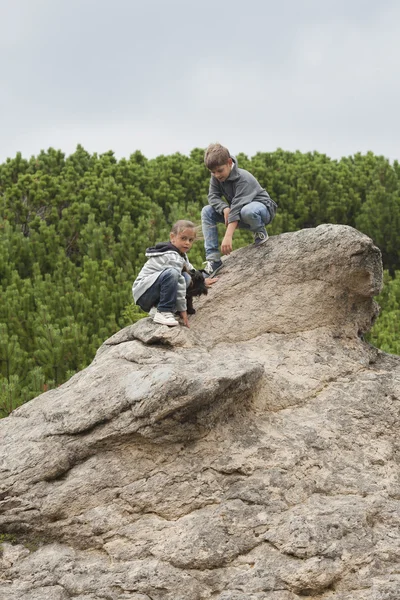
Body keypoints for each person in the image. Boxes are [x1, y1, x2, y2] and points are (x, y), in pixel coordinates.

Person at [201, 143, 278, 277]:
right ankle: (213, 260)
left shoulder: (243, 178)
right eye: (213, 172)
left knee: (246, 211)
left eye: (219, 170)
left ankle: (259, 232)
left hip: (261, 211)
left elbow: (237, 207)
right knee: (207, 211)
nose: (216, 175)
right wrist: (224, 208)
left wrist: (228, 236)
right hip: (239, 214)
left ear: (229, 162)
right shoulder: (216, 177)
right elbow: (212, 197)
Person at [132, 220, 217, 327]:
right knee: (174, 274)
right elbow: (180, 282)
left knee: (187, 276)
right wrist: (183, 309)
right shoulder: (171, 256)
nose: (187, 243)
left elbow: (190, 269)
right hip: (144, 293)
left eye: (191, 240)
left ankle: (158, 308)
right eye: (183, 238)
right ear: (172, 237)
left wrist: (203, 280)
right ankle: (163, 311)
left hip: (151, 290)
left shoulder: (180, 254)